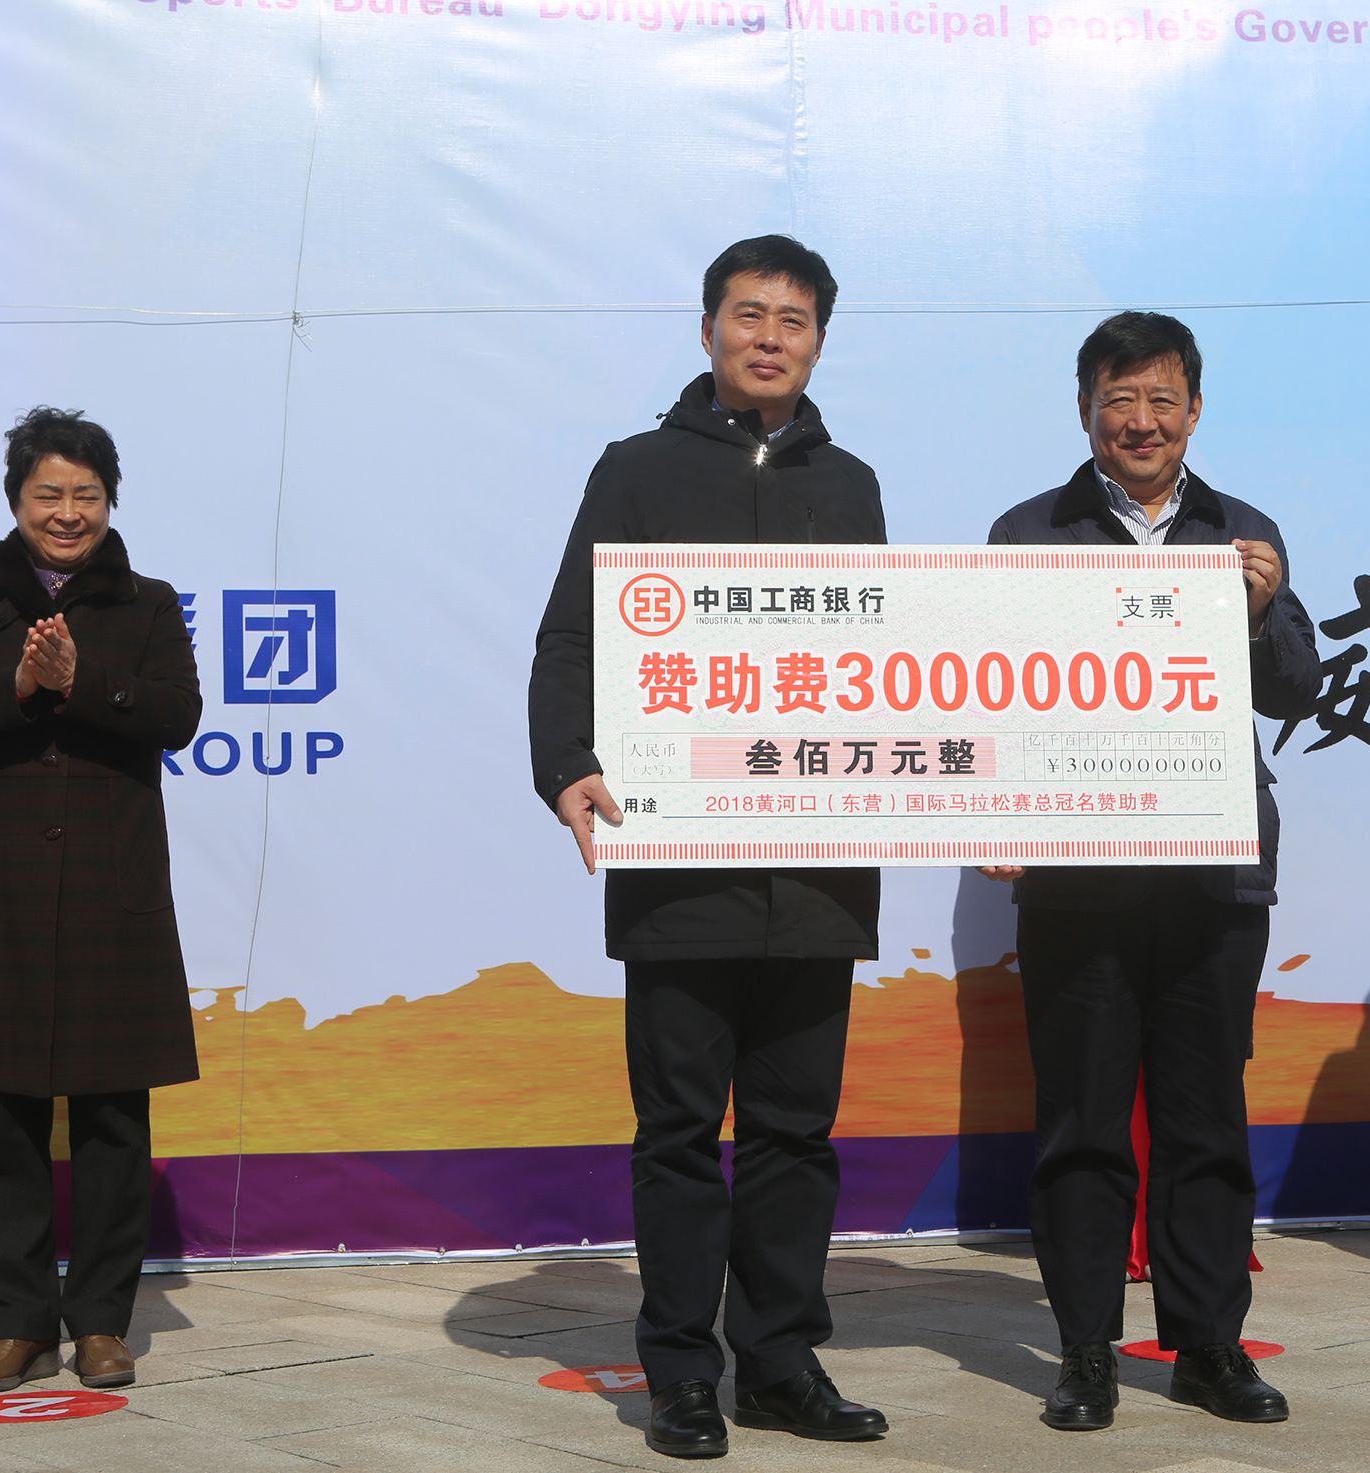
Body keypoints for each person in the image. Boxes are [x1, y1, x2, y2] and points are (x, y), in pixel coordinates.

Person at [529, 236, 889, 1459]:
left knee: (795, 1132)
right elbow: (572, 638)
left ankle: (779, 1363)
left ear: (818, 341)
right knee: (679, 1133)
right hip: (679, 864)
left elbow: (888, 664)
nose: (769, 337)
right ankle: (680, 1371)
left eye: (793, 319)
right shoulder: (636, 470)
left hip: (819, 866)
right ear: (706, 331)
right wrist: (567, 764)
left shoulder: (852, 486)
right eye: (748, 314)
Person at [978, 312, 1320, 1429]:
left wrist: (1258, 613)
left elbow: (1295, 689)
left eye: (1161, 399)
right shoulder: (1028, 533)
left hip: (1211, 879)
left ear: (1194, 411)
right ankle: (1084, 1350)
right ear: (1085, 409)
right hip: (1077, 880)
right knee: (1081, 1124)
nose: (1140, 421)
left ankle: (1207, 1346)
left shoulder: (1242, 530)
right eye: (1118, 399)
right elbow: (985, 688)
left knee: (1204, 1120)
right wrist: (988, 812)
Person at [0, 407, 202, 1394]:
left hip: (112, 892)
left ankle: (103, 1321)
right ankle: (18, 1323)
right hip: (2, 895)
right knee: (5, 1120)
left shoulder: (149, 604)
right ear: (17, 501)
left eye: (86, 494)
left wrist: (82, 681)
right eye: (48, 494)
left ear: (109, 501)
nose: (67, 512)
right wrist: (19, 686)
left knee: (114, 1119)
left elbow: (179, 716)